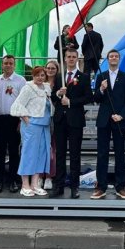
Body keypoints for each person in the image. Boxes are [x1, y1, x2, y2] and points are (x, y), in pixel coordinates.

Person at [91, 49, 125, 200]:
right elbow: (96, 98)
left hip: (119, 121)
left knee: (120, 154)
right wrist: (101, 89)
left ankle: (120, 186)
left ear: (119, 59)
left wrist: (122, 115)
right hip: (104, 121)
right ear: (107, 59)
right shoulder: (101, 77)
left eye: (116, 56)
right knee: (102, 154)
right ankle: (101, 187)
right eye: (111, 56)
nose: (114, 58)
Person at [49, 49, 92, 199]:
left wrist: (71, 102)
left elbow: (88, 97)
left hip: (75, 120)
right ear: (65, 59)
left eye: (74, 57)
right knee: (60, 154)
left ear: (77, 59)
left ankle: (75, 187)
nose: (71, 59)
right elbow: (54, 97)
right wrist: (58, 94)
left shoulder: (84, 77)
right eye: (69, 57)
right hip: (60, 120)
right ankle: (59, 186)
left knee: (75, 155)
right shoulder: (60, 76)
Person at [11, 66, 53, 197]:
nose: (40, 77)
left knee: (41, 155)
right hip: (32, 125)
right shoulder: (27, 88)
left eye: (42, 75)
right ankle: (25, 185)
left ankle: (35, 184)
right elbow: (17, 105)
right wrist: (26, 118)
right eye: (37, 75)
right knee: (29, 154)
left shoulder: (46, 88)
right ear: (33, 76)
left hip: (44, 125)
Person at [0, 55, 27, 194]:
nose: (8, 65)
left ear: (14, 65)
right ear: (2, 65)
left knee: (13, 152)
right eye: (5, 63)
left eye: (11, 63)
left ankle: (13, 181)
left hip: (14, 120)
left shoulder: (20, 80)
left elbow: (24, 101)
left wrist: (21, 120)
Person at [41, 60, 61, 190]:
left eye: (53, 68)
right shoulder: (40, 83)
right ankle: (39, 176)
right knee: (41, 148)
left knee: (52, 149)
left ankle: (49, 176)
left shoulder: (61, 83)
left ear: (57, 69)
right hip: (41, 119)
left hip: (56, 118)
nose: (50, 70)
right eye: (48, 68)